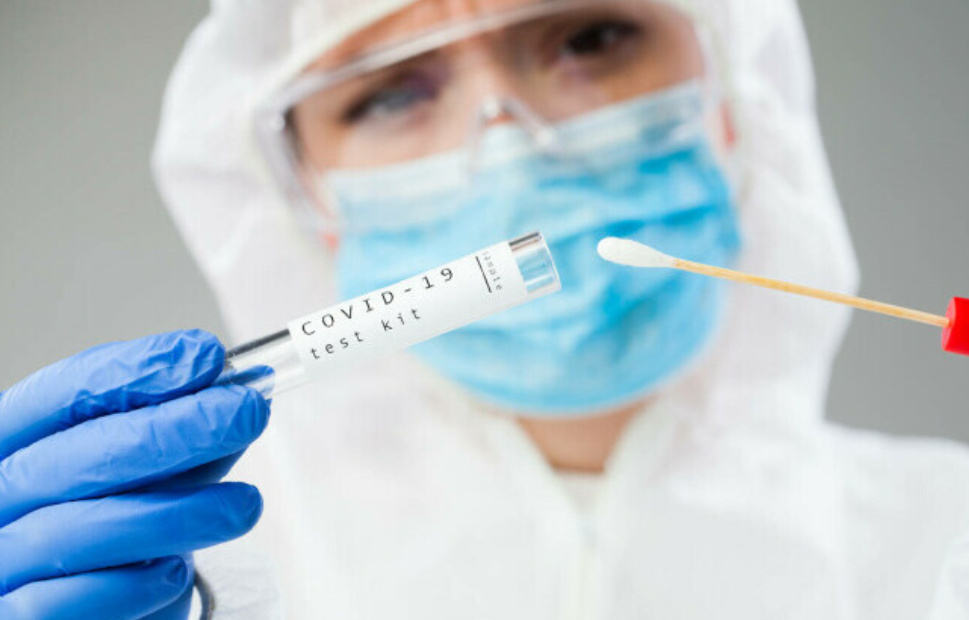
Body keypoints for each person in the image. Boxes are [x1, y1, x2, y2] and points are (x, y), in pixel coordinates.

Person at [2, 0, 968, 618]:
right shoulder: (192, 574)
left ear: (733, 92)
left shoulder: (943, 543)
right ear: (304, 196)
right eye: (390, 95)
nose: (509, 144)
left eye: (589, 38)